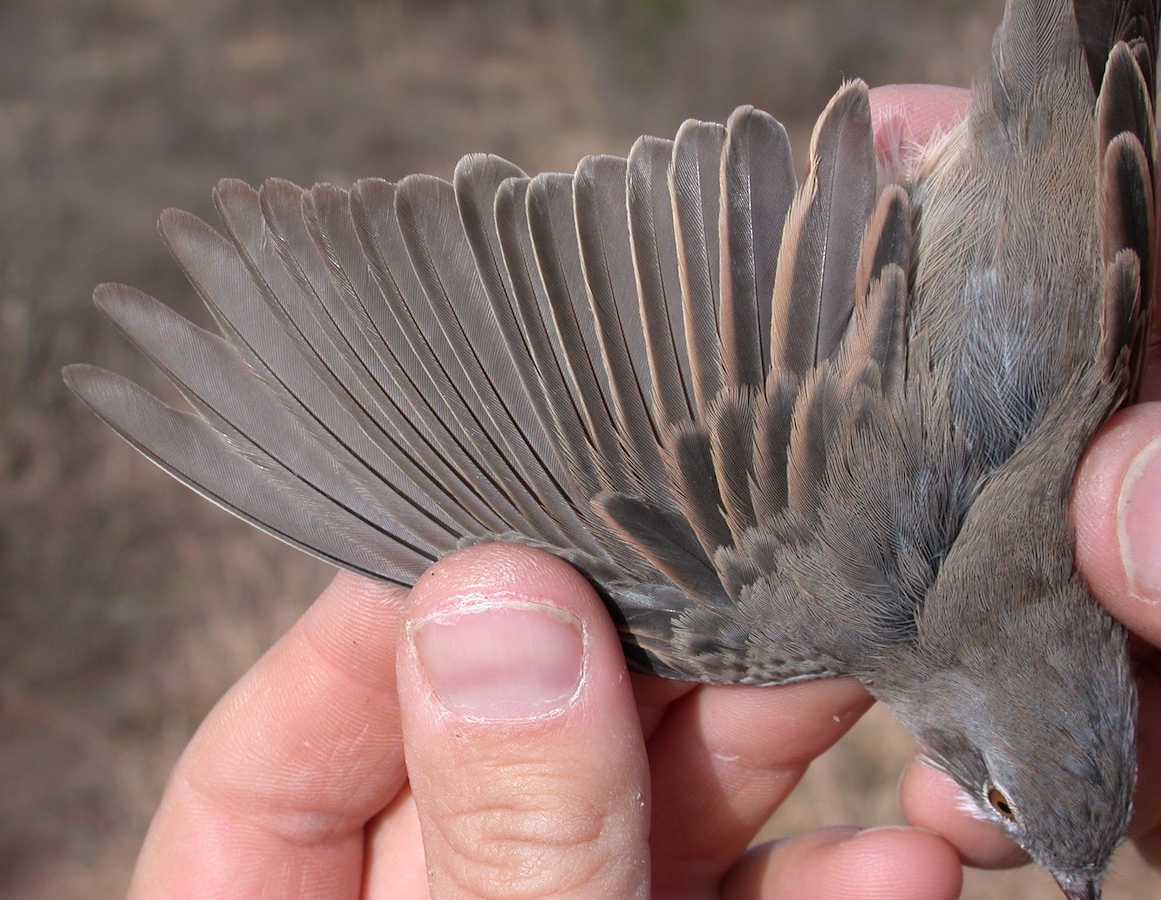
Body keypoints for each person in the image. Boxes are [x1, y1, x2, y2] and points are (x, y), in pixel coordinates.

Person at [125, 86, 1161, 898]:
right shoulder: (817, 604)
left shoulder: (1066, 534)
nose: (986, 814)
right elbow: (537, 532)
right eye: (995, 796)